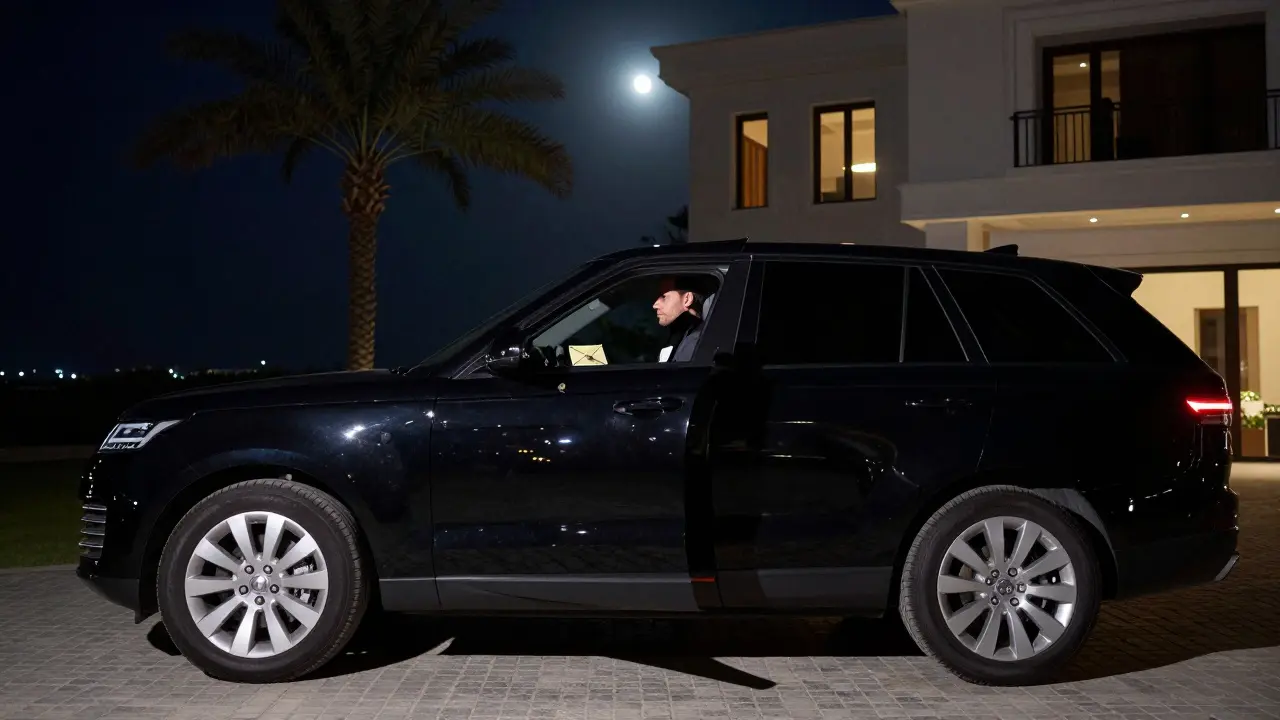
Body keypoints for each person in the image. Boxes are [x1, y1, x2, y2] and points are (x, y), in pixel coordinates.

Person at [652, 275, 713, 362]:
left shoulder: (695, 343)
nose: (655, 305)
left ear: (687, 299)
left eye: (664, 297)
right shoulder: (682, 335)